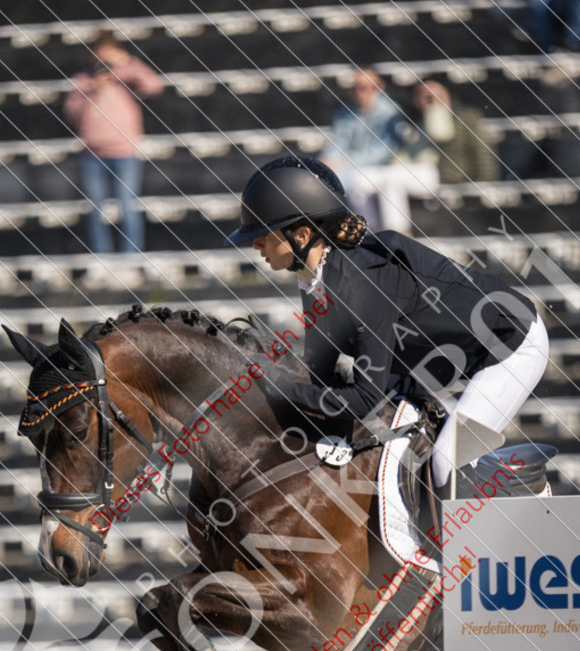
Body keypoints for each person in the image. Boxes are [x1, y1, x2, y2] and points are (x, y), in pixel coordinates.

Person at [224, 156, 549, 492]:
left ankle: (519, 498)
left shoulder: (362, 284)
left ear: (303, 235)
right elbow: (320, 368)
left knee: (444, 466)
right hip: (432, 357)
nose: (255, 244)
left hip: (509, 343)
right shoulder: (316, 276)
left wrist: (278, 385)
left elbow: (364, 397)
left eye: (264, 234)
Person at [63, 30, 164, 268]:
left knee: (128, 207)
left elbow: (154, 85)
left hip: (125, 153)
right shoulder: (83, 81)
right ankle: (102, 260)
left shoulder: (126, 78)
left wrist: (128, 62)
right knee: (96, 209)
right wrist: (93, 91)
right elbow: (71, 113)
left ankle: (130, 261)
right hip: (92, 155)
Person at [321, 67, 438, 234]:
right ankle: (368, 234)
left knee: (375, 181)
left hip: (391, 167)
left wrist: (344, 162)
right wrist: (328, 161)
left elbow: (384, 150)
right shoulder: (345, 112)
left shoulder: (390, 112)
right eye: (355, 87)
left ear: (378, 88)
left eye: (364, 87)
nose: (358, 92)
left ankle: (397, 236)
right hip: (361, 169)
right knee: (355, 184)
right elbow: (339, 142)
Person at [409, 80, 499, 184]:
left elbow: (482, 152)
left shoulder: (466, 118)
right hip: (422, 178)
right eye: (427, 98)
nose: (434, 102)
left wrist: (484, 183)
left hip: (456, 180)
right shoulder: (412, 122)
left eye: (439, 96)